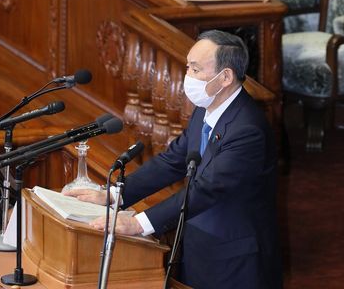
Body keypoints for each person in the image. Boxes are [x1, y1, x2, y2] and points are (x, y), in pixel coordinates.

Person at [66, 30, 282, 289]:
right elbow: (172, 160)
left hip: (235, 260)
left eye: (196, 69)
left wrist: (137, 224)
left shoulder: (248, 130)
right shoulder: (206, 110)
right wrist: (115, 196)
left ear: (225, 77)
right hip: (199, 246)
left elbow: (207, 189)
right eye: (187, 66)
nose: (187, 76)